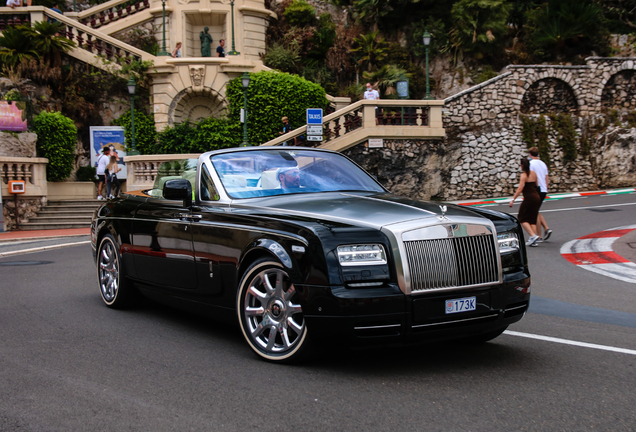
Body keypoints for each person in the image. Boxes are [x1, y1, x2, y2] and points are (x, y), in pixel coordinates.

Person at [509, 157, 541, 247]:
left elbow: (520, 188)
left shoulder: (524, 175)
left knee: (521, 218)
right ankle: (533, 240)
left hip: (529, 198)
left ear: (522, 165)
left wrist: (513, 199)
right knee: (532, 219)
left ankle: (533, 235)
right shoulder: (534, 174)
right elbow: (537, 185)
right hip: (536, 197)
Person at [529, 146, 553, 242]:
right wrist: (546, 188)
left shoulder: (531, 164)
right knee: (536, 211)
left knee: (534, 212)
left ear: (530, 154)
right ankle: (546, 229)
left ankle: (539, 235)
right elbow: (546, 177)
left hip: (536, 189)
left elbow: (531, 177)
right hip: (543, 189)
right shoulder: (543, 164)